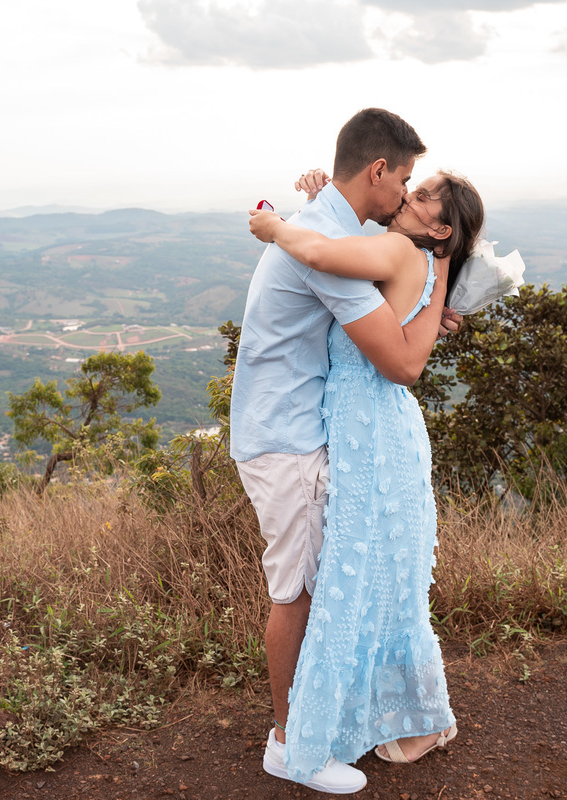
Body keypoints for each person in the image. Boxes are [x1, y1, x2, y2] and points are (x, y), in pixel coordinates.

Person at [230, 108, 460, 794]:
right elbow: (397, 361)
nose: (404, 195)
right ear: (379, 172)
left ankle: (321, 724)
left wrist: (428, 296)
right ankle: (288, 745)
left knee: (326, 585)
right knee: (298, 592)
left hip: (294, 432)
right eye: (407, 180)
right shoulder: (324, 249)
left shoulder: (325, 226)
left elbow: (350, 261)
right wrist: (429, 302)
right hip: (289, 440)